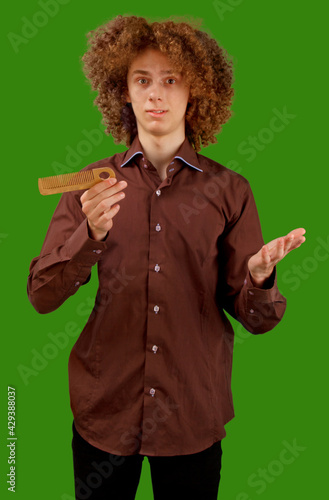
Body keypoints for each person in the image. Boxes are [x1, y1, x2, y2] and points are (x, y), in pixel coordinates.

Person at [27, 15, 306, 500]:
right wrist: (88, 235)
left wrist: (260, 280)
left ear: (195, 91)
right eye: (142, 80)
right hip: (104, 411)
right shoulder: (88, 184)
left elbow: (257, 321)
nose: (156, 94)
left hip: (192, 414)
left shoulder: (231, 191)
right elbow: (41, 296)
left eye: (171, 79)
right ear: (125, 92)